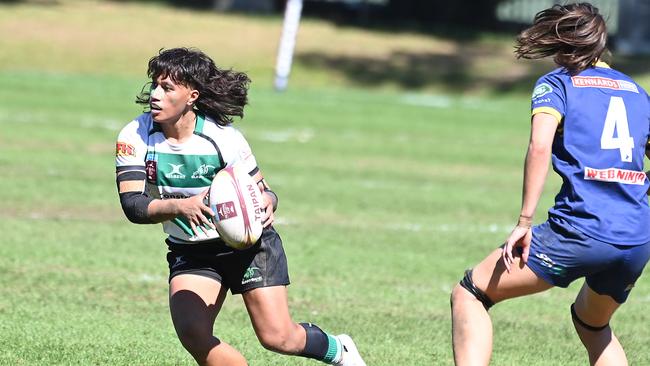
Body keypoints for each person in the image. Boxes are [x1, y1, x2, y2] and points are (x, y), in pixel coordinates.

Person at [115, 47, 366, 366]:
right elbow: (133, 205)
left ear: (191, 96)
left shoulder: (223, 138)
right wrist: (181, 207)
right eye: (154, 85)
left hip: (248, 246)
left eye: (167, 88)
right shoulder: (136, 135)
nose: (155, 95)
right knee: (193, 333)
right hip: (192, 250)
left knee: (278, 338)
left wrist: (267, 201)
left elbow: (265, 191)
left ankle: (339, 350)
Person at [450, 3, 650, 366]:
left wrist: (524, 222)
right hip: (637, 237)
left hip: (581, 231)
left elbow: (540, 145)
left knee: (471, 293)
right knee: (592, 323)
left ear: (561, 42)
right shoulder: (636, 91)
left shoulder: (557, 84)